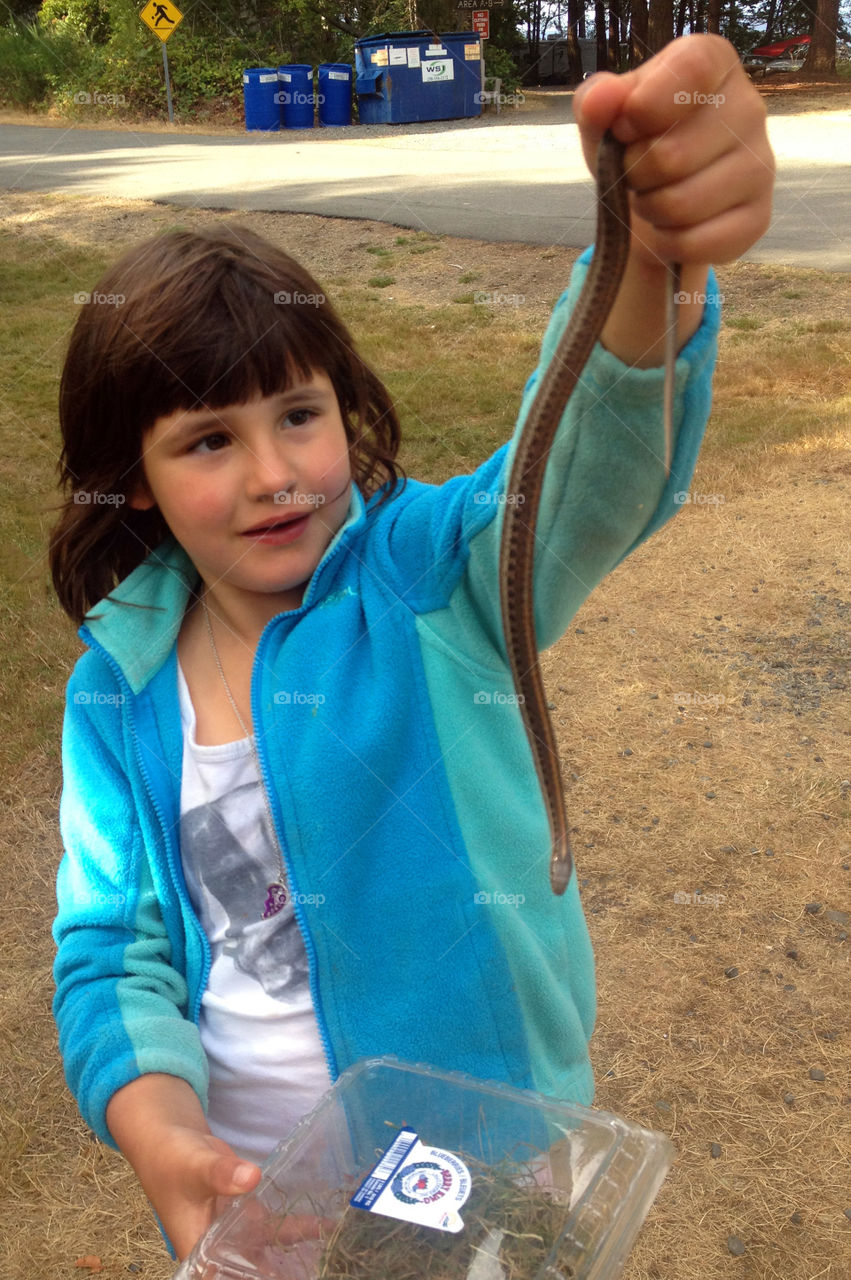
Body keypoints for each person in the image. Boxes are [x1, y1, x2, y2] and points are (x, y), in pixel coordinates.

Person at [51, 34, 774, 1262]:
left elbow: (582, 477)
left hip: (479, 1162)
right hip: (264, 1191)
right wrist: (161, 1127)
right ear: (133, 481)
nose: (276, 474)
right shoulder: (116, 693)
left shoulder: (429, 575)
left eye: (297, 414)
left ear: (348, 407)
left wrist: (647, 266)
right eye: (207, 441)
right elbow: (110, 951)